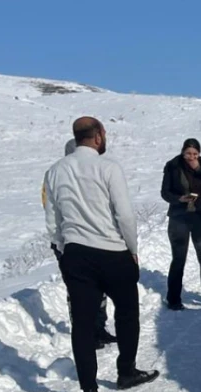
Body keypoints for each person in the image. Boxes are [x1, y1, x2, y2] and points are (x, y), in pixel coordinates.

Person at [43, 117, 159, 392]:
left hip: (76, 254)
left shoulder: (55, 171)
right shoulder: (109, 167)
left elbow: (53, 220)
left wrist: (64, 248)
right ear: (98, 136)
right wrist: (132, 249)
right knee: (127, 313)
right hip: (113, 252)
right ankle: (126, 371)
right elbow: (125, 215)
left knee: (82, 324)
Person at [42, 138, 117, 349]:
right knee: (78, 290)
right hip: (69, 241)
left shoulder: (94, 174)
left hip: (96, 239)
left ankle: (99, 328)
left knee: (100, 286)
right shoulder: (56, 175)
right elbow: (49, 210)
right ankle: (84, 334)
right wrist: (60, 243)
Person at [160, 138, 201, 310]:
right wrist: (179, 198)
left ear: (199, 154)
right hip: (179, 218)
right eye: (188, 153)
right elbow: (165, 192)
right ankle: (173, 298)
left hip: (200, 216)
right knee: (179, 258)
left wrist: (199, 170)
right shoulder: (173, 166)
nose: (191, 157)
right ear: (182, 152)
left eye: (195, 154)